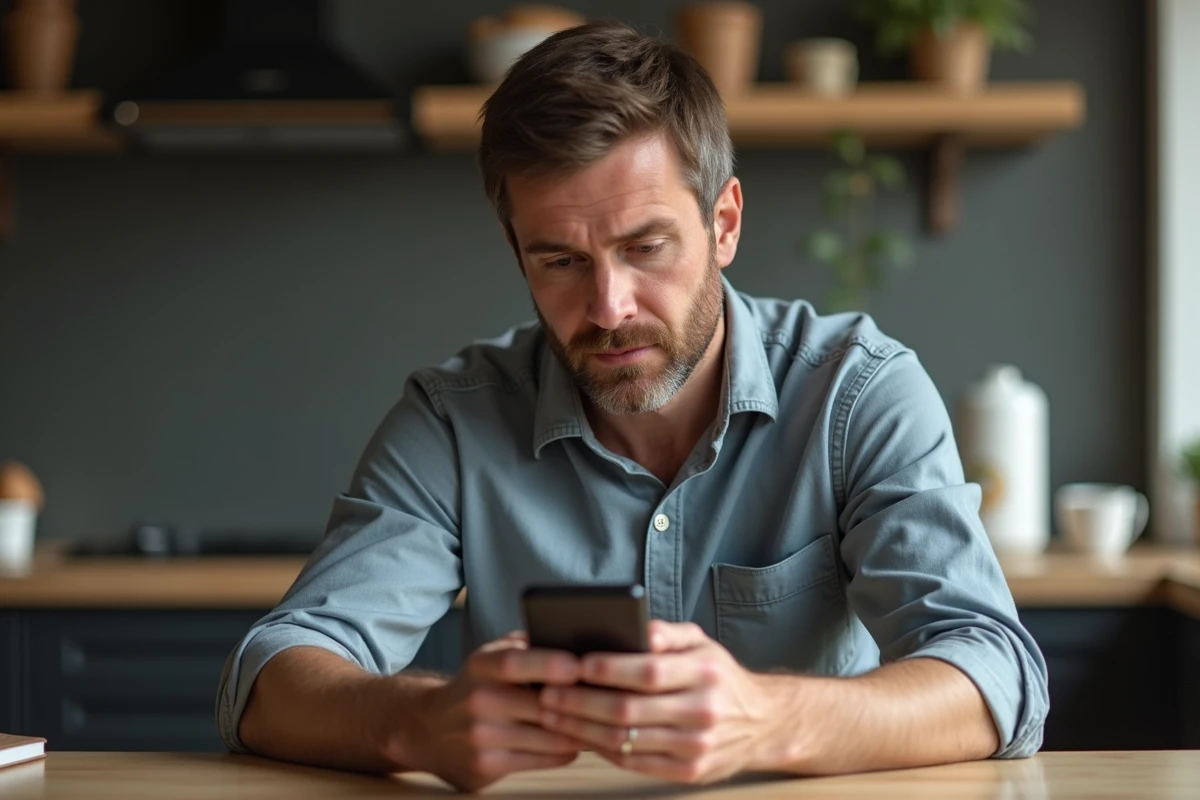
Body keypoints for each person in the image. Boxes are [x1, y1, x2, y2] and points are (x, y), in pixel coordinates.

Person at [216, 21, 1048, 792]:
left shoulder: (857, 393)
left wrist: (765, 722)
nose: (608, 306)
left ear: (722, 224)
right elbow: (270, 678)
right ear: (517, 252)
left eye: (644, 247)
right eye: (561, 260)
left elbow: (995, 674)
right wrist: (418, 722)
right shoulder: (454, 421)